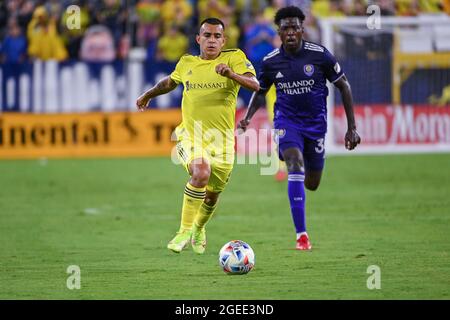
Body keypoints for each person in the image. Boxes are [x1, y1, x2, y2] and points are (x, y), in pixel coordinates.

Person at [238, 6, 360, 250]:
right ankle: (301, 235)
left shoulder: (320, 55)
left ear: (302, 30)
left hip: (315, 125)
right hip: (286, 121)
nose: (291, 32)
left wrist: (351, 128)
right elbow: (260, 93)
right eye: (286, 28)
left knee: (312, 183)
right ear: (279, 32)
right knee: (294, 164)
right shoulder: (271, 62)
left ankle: (292, 159)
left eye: (295, 27)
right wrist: (248, 117)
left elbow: (344, 86)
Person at [136, 18, 259, 254]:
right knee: (201, 172)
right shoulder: (187, 63)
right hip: (191, 136)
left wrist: (231, 74)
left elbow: (255, 84)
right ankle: (183, 231)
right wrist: (148, 94)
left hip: (222, 143)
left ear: (224, 40)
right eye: (207, 35)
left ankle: (199, 228)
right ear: (198, 39)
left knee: (211, 197)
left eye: (216, 36)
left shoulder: (234, 57)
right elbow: (170, 83)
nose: (211, 40)